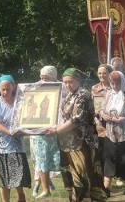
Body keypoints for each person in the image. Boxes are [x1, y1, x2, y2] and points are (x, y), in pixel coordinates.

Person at [45, 68, 107, 202]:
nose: (67, 85)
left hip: (82, 143)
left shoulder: (83, 95)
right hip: (67, 143)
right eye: (65, 82)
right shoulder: (68, 96)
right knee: (71, 176)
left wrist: (56, 131)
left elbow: (76, 119)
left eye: (70, 82)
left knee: (83, 175)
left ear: (78, 80)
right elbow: (61, 118)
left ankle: (83, 199)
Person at [0, 75, 31, 202]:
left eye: (8, 89)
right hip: (1, 147)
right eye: (3, 89)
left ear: (13, 87)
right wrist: (10, 132)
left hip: (17, 146)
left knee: (19, 174)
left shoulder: (20, 101)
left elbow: (27, 120)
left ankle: (20, 195)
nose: (5, 92)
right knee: (4, 178)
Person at [30, 66, 61, 198]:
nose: (43, 81)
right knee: (41, 160)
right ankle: (45, 189)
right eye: (42, 78)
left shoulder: (62, 89)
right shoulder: (34, 88)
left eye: (47, 78)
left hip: (57, 131)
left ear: (54, 78)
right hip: (39, 131)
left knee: (60, 160)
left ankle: (70, 186)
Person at [91, 64, 113, 175]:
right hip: (98, 124)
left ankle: (117, 175)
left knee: (113, 149)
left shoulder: (114, 87)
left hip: (112, 122)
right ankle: (104, 174)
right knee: (101, 149)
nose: (101, 75)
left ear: (110, 74)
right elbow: (92, 104)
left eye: (104, 73)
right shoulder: (94, 88)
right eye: (99, 73)